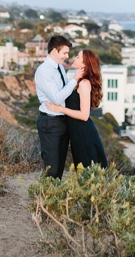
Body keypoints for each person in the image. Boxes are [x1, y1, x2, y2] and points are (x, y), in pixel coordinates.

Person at [45, 49, 108, 169]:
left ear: (85, 64)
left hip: (84, 134)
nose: (75, 58)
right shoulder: (76, 81)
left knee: (88, 171)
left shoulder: (84, 83)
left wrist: (60, 109)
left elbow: (84, 115)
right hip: (76, 133)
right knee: (83, 172)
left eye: (78, 57)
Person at [35, 35, 79, 179]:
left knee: (59, 167)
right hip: (50, 123)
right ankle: (44, 199)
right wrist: (75, 80)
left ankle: (54, 199)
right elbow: (57, 97)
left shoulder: (59, 67)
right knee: (51, 168)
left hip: (62, 120)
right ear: (54, 51)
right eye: (64, 53)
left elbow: (65, 91)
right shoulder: (44, 71)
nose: (67, 56)